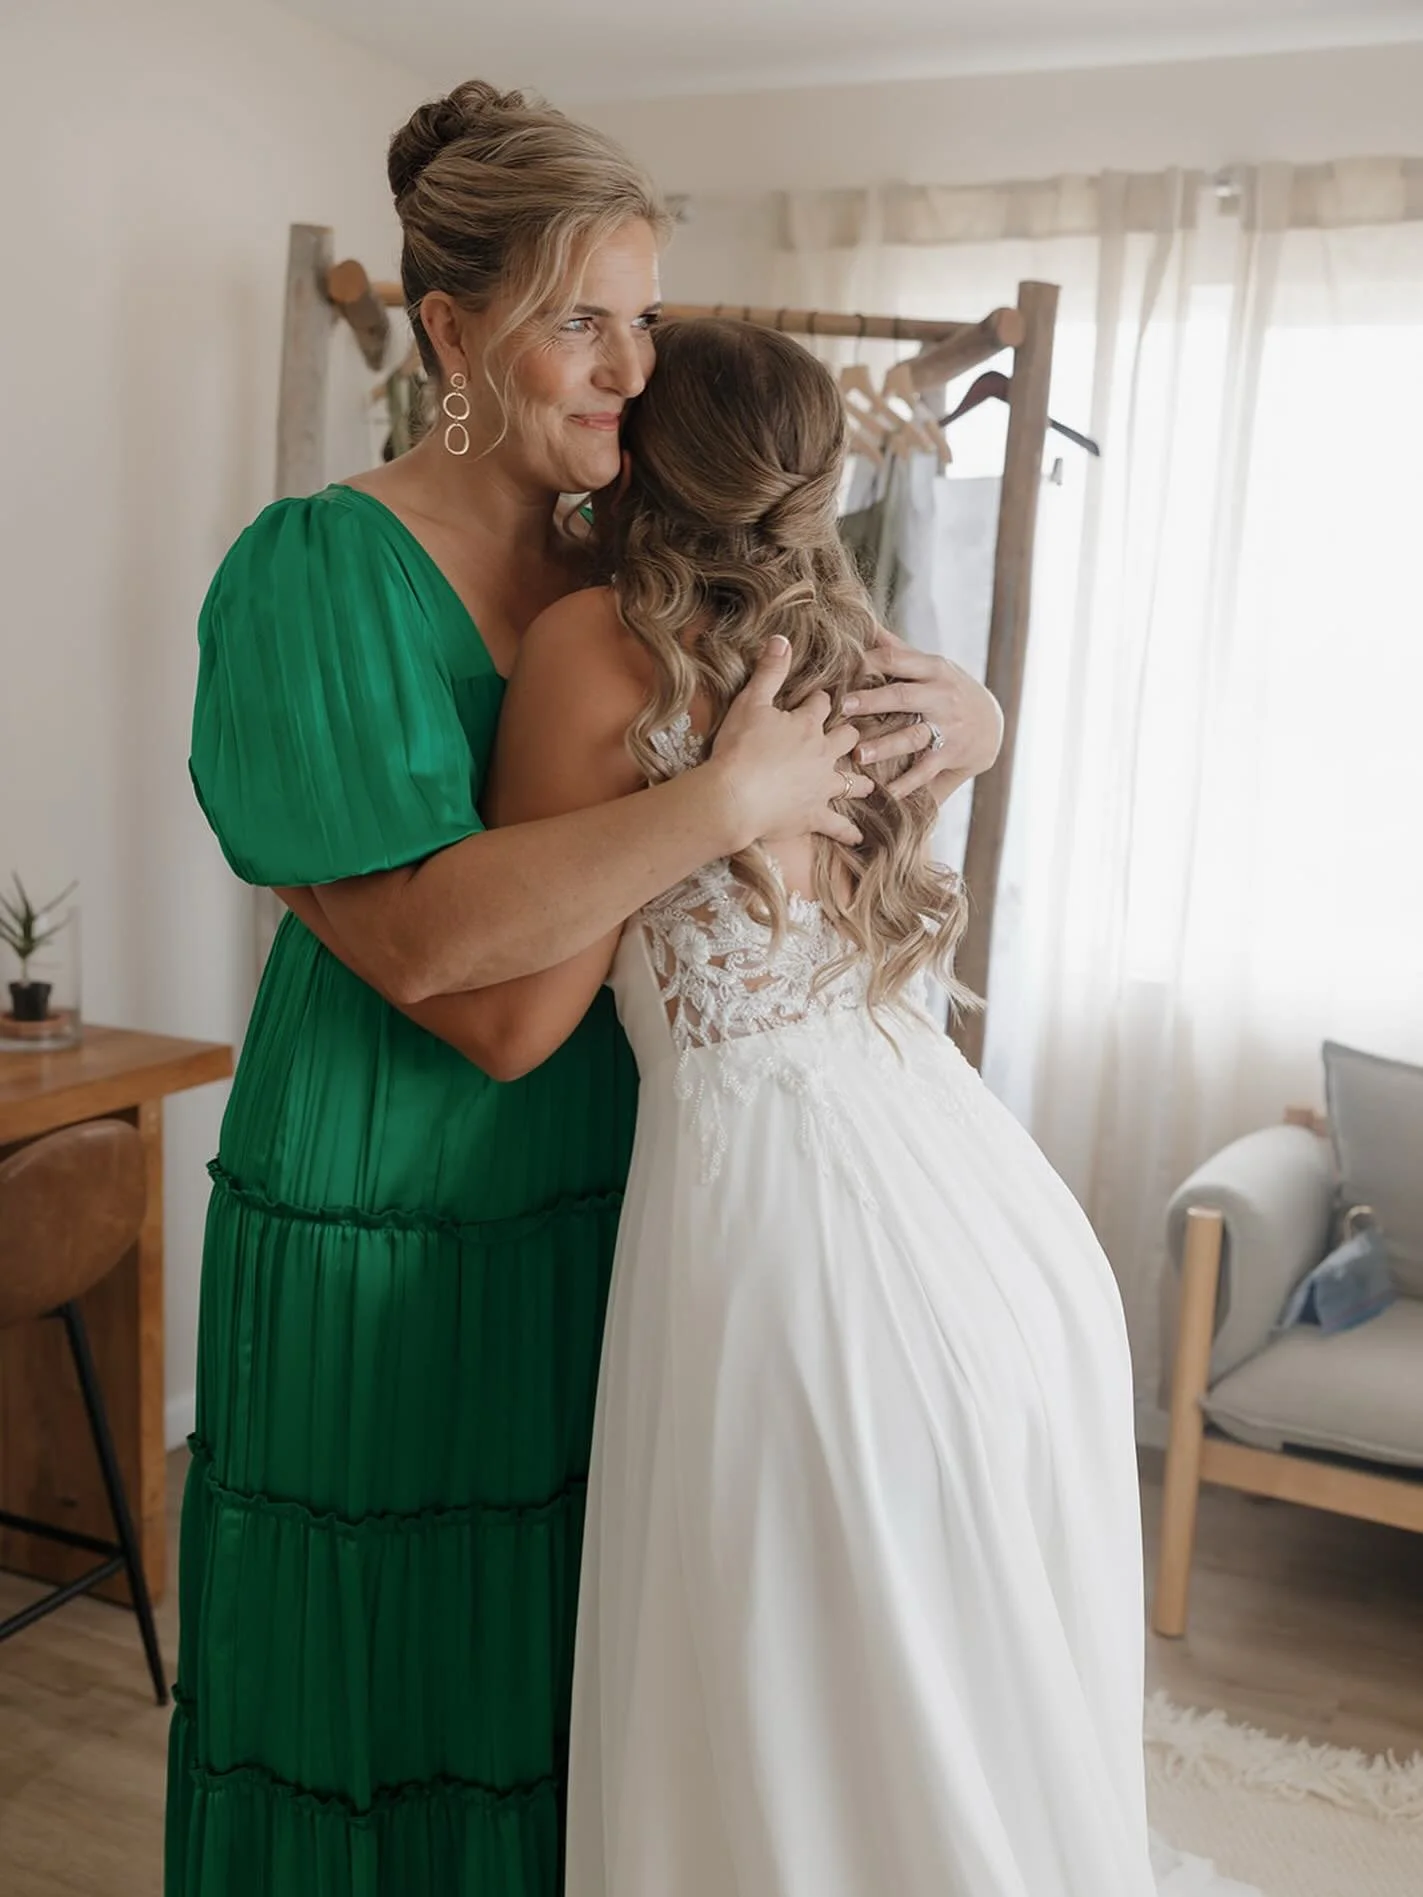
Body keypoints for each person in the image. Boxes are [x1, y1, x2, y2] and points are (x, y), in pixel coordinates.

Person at [167, 83, 1001, 1896]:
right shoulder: (319, 571)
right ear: (452, 335)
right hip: (387, 1203)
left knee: (584, 1709)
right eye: (579, 322)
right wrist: (713, 800)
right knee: (378, 1708)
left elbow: (832, 736)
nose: (634, 368)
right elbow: (448, 974)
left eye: (645, 314)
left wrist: (974, 715)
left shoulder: (629, 556)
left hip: (614, 1213)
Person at [450, 317, 1259, 1897]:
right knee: (929, 1670)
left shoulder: (590, 648)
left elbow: (517, 1011)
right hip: (979, 1204)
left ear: (638, 456)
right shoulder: (857, 646)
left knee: (782, 1677)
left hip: (781, 1230)